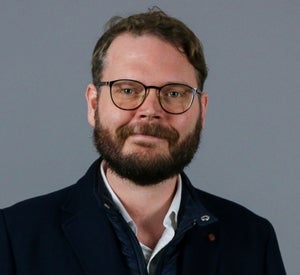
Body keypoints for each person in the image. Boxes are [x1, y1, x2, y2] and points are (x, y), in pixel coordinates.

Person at [0, 8, 286, 275]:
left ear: (202, 111)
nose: (150, 110)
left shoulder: (253, 241)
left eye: (174, 93)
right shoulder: (14, 237)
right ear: (93, 104)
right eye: (127, 90)